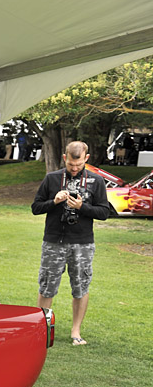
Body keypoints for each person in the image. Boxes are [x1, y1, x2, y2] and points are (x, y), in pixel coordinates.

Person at [32, 140, 113, 346]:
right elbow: (36, 207)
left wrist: (82, 207)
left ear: (86, 158)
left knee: (80, 287)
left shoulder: (97, 181)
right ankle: (42, 330)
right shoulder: (52, 178)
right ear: (64, 158)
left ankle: (76, 331)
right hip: (54, 242)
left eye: (78, 165)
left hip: (82, 244)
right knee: (47, 286)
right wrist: (55, 202)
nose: (75, 169)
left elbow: (104, 212)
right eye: (70, 165)